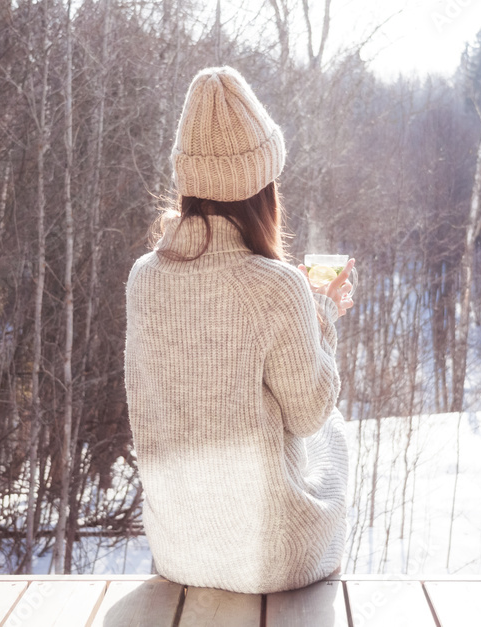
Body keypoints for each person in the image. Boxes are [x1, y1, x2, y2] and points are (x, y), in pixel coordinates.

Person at [124, 66, 354, 595]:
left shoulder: (143, 278)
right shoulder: (276, 288)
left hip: (178, 551)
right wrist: (319, 312)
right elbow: (308, 412)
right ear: (262, 189)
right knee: (334, 434)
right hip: (266, 559)